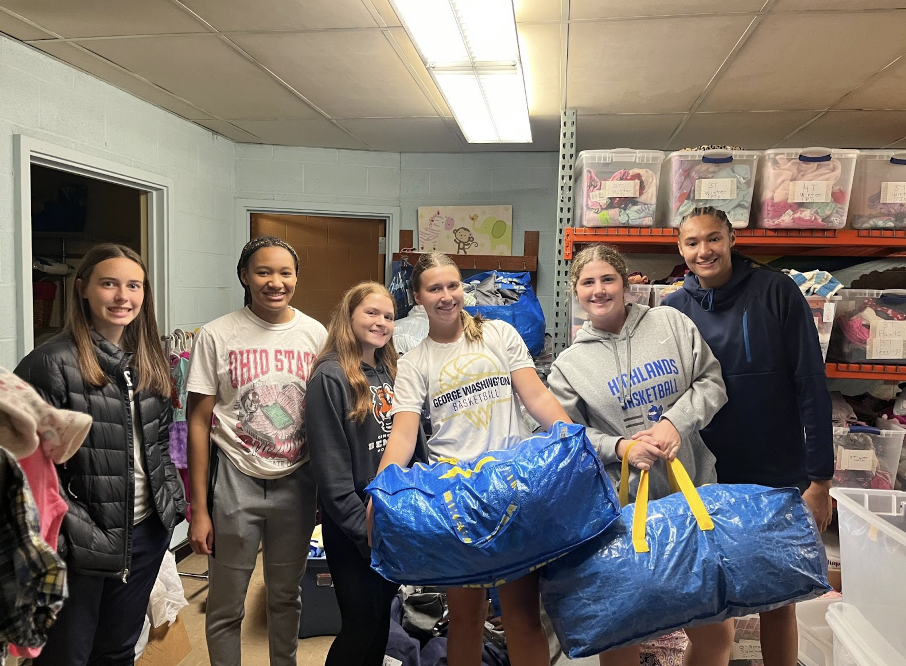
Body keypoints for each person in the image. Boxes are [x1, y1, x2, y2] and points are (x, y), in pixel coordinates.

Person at [369, 252, 572, 666]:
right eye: (434, 288)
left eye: (453, 285)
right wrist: (381, 488)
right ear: (418, 297)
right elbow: (404, 433)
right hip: (457, 496)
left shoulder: (499, 334)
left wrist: (572, 440)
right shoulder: (413, 362)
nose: (446, 296)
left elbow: (535, 396)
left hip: (511, 488)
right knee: (465, 618)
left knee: (520, 615)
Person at [547, 244, 734, 666]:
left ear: (626, 283)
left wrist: (675, 422)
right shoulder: (569, 364)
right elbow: (565, 436)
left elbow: (711, 383)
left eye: (607, 279)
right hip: (622, 513)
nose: (599, 290)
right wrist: (620, 447)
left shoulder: (670, 323)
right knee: (621, 634)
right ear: (576, 291)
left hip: (693, 498)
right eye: (587, 282)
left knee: (714, 630)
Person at [664, 205, 834, 666]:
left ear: (731, 239)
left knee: (780, 597)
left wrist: (820, 480)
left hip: (774, 474)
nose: (705, 250)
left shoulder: (777, 291)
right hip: (702, 478)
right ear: (680, 248)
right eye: (693, 242)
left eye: (713, 238)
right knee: (708, 602)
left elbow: (811, 385)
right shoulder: (672, 310)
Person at [15, 243, 186, 666]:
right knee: (65, 656)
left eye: (134, 286)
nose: (122, 297)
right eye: (109, 284)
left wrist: (172, 504)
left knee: (118, 650)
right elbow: (23, 467)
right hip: (77, 544)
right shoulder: (48, 363)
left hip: (145, 534)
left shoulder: (148, 362)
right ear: (83, 290)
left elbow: (161, 442)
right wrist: (76, 529)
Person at [186, 236, 326, 666]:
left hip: (297, 482)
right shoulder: (216, 335)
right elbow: (197, 422)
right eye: (263, 272)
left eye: (285, 272)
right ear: (245, 276)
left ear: (297, 277)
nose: (275, 282)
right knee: (227, 603)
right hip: (235, 480)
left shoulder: (314, 334)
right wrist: (200, 509)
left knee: (286, 596)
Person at [306, 281, 425, 666]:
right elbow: (332, 473)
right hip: (356, 527)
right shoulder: (330, 376)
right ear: (349, 316)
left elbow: (414, 441)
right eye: (371, 313)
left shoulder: (393, 369)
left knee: (379, 627)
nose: (381, 322)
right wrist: (366, 533)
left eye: (389, 316)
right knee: (359, 627)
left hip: (394, 522)